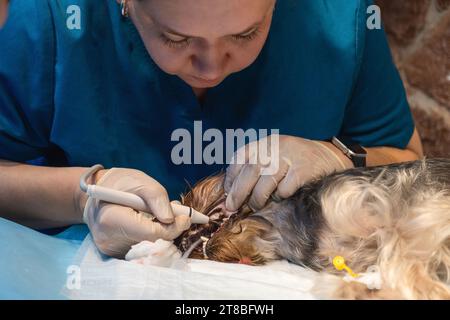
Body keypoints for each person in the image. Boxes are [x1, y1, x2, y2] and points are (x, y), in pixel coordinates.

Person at [0, 0, 423, 259]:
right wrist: (83, 196)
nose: (211, 68)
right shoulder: (50, 19)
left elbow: (411, 164)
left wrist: (341, 157)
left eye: (246, 33)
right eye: (176, 38)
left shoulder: (339, 18)